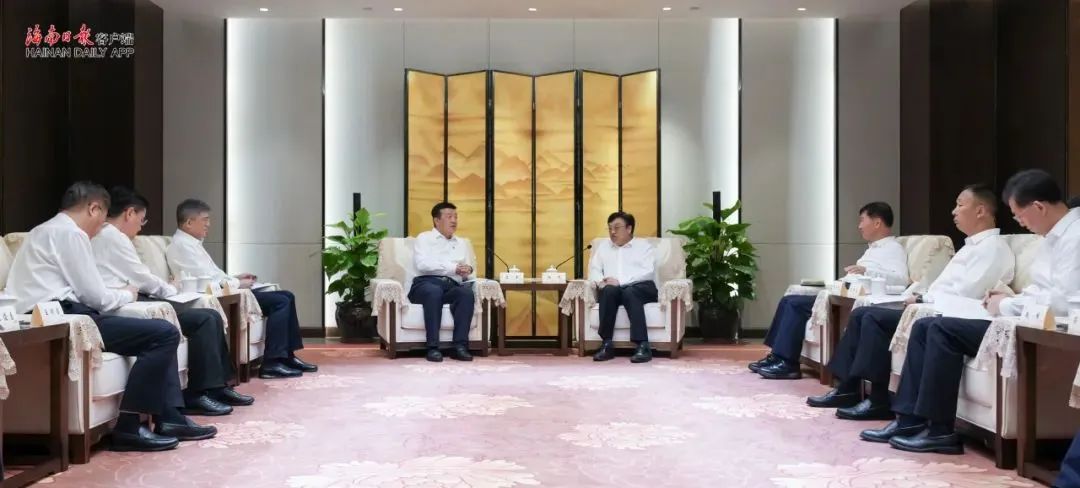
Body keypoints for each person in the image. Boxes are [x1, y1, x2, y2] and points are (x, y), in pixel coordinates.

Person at [861, 169, 1080, 454]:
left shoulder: (1074, 237)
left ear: (1039, 207)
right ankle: (908, 420)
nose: (1019, 222)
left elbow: (1061, 302)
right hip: (1020, 317)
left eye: (1019, 215)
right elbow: (1040, 290)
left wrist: (1006, 304)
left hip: (1044, 329)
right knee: (925, 325)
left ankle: (940, 431)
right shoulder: (1051, 238)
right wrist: (1010, 298)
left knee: (941, 329)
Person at [5, 182, 216, 451]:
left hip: (50, 316)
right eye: (102, 219)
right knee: (164, 334)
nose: (101, 228)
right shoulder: (72, 234)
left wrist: (118, 294)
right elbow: (97, 298)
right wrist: (127, 293)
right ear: (94, 208)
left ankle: (170, 417)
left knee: (160, 329)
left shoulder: (42, 230)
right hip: (66, 317)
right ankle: (131, 427)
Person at [809, 184, 1014, 421]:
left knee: (874, 317)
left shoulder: (993, 248)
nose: (954, 211)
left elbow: (968, 293)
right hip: (933, 307)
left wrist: (923, 298)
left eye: (960, 205)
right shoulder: (969, 247)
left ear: (980, 211)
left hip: (950, 314)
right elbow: (942, 287)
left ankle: (878, 400)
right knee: (863, 313)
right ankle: (847, 387)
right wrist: (920, 295)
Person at [92, 186, 254, 415]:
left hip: (132, 301)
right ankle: (198, 394)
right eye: (141, 219)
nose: (140, 227)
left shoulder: (107, 236)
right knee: (204, 319)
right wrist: (171, 288)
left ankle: (218, 386)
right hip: (125, 306)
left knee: (209, 316)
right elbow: (142, 277)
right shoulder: (113, 237)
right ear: (129, 213)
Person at [751, 202, 908, 380]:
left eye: (862, 220)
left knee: (796, 304)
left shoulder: (893, 248)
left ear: (877, 222)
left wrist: (866, 271)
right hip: (842, 292)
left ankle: (788, 364)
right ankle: (777, 355)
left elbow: (901, 279)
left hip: (852, 300)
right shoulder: (872, 249)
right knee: (789, 299)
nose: (859, 226)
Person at [165, 199, 317, 379]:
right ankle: (272, 362)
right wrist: (237, 283)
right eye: (205, 219)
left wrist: (235, 278)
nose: (209, 224)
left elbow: (214, 275)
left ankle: (287, 356)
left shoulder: (192, 244)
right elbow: (204, 282)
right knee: (280, 301)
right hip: (219, 297)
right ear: (189, 223)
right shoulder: (181, 246)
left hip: (228, 289)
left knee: (287, 296)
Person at [409, 202, 476, 363]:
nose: (454, 220)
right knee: (434, 292)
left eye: (456, 217)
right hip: (425, 284)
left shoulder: (461, 243)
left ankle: (459, 346)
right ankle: (432, 347)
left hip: (451, 286)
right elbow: (423, 265)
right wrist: (453, 268)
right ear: (436, 220)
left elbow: (470, 269)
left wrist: (467, 270)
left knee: (466, 293)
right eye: (449, 217)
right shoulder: (424, 238)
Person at [589, 211, 657, 363]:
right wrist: (602, 282)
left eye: (617, 228)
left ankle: (642, 345)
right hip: (614, 289)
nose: (612, 232)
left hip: (641, 287)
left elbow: (648, 272)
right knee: (608, 291)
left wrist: (621, 281)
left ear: (629, 228)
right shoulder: (603, 247)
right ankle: (606, 344)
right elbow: (594, 270)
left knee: (630, 292)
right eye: (610, 228)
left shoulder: (643, 246)